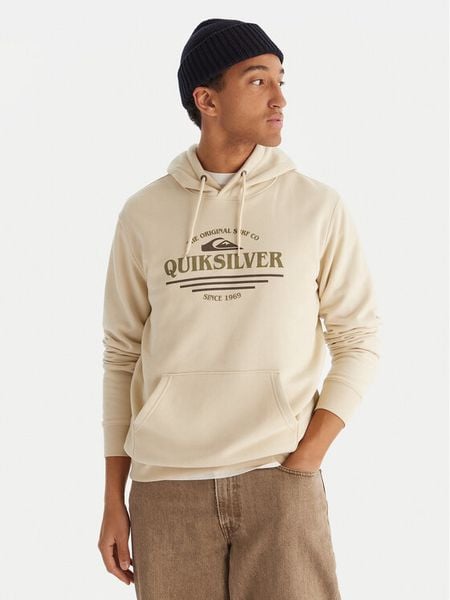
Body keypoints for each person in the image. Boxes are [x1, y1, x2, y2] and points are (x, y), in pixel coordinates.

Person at [97, 18, 381, 600]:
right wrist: (112, 498)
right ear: (207, 100)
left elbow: (359, 339)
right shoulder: (144, 214)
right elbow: (121, 355)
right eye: (257, 81)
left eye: (281, 79)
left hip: (279, 478)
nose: (280, 99)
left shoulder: (316, 206)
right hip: (166, 488)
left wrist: (307, 456)